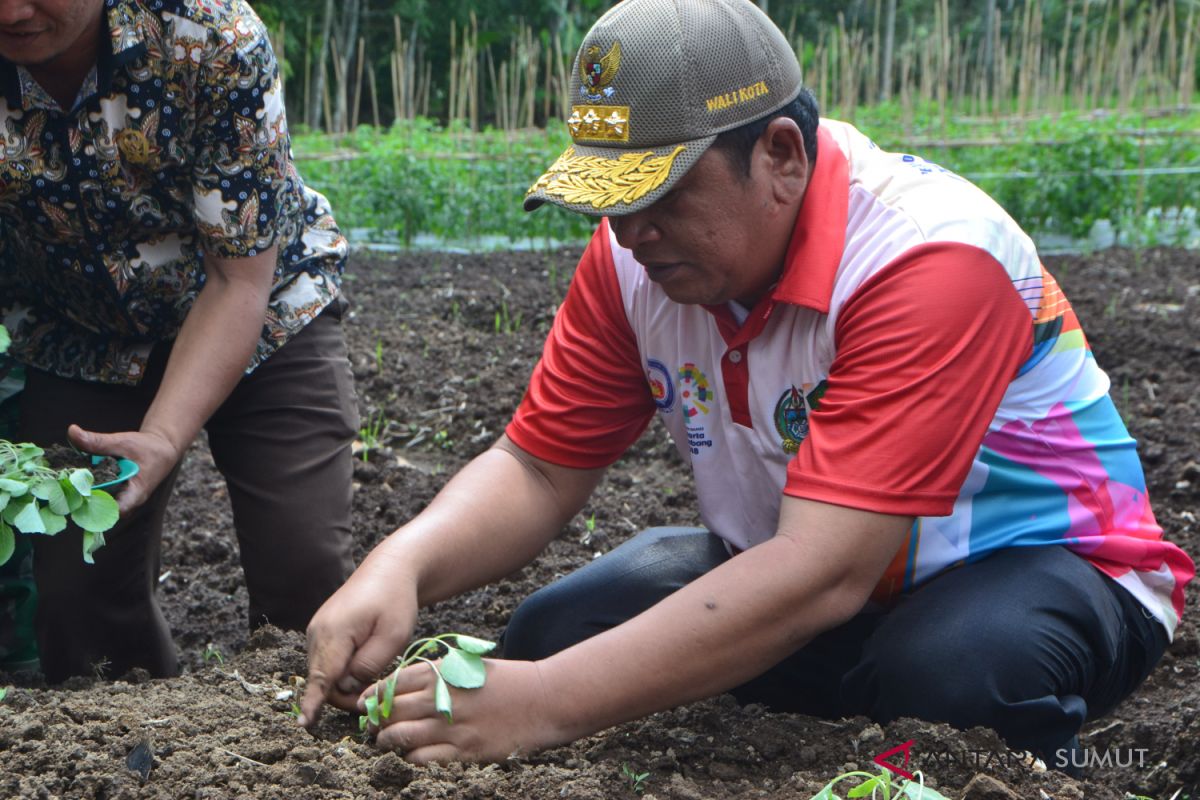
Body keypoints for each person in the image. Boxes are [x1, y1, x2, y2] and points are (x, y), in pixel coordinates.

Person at [300, 0, 1193, 765]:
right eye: (612, 199)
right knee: (553, 638)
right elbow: (538, 467)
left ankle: (1024, 764)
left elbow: (822, 572)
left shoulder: (928, 258)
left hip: (1040, 567)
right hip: (808, 569)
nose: (630, 231)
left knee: (953, 677)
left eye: (660, 196)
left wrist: (543, 706)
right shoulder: (633, 262)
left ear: (780, 154)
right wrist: (401, 565)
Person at [0, 0, 357, 681]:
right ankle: (132, 757)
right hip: (81, 333)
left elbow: (238, 282)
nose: (13, 10)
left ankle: (303, 755)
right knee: (75, 602)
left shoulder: (209, 36)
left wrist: (163, 437)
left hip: (263, 310)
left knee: (301, 570)